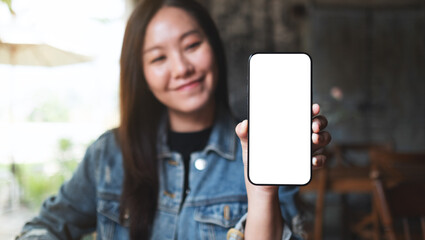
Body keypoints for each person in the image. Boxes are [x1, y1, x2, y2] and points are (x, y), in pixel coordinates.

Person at [17, 0, 331, 239]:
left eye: (192, 45)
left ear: (214, 48)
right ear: (140, 73)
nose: (181, 68)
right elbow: (44, 227)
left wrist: (262, 191)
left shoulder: (262, 152)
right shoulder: (109, 153)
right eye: (158, 57)